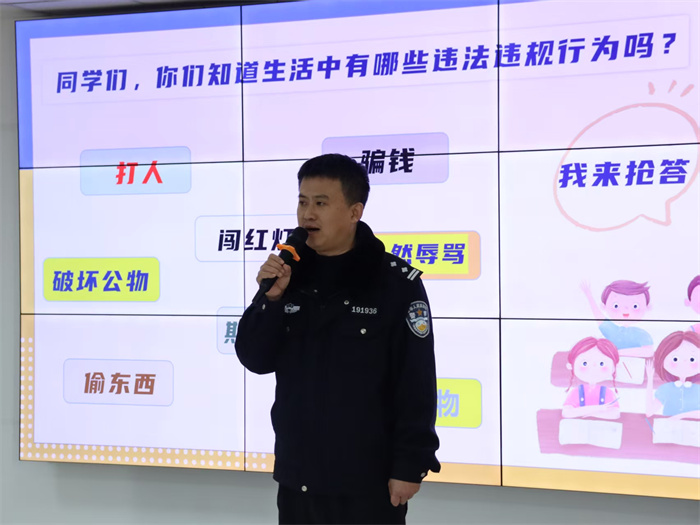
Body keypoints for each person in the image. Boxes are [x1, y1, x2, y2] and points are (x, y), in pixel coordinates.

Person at [235, 153, 440, 525]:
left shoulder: (395, 284)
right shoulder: (288, 275)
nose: (307, 215)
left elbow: (416, 381)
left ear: (354, 211)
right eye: (302, 202)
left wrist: (411, 464)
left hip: (367, 482)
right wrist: (271, 300)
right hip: (298, 478)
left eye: (321, 203)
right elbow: (255, 358)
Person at [580, 280, 654, 357]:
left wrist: (616, 353)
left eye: (635, 306)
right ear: (604, 306)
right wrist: (589, 296)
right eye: (616, 306)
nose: (625, 310)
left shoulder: (642, 334)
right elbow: (598, 316)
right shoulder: (613, 331)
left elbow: (648, 352)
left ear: (648, 307)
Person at [645, 331, 700, 420]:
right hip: (669, 427)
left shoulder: (698, 390)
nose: (684, 363)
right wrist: (650, 379)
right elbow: (649, 412)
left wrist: (681, 416)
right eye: (675, 359)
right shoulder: (666, 389)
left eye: (692, 359)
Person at [562, 337, 621, 420]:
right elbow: (567, 413)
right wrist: (597, 409)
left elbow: (615, 414)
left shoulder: (607, 393)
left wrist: (587, 413)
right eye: (584, 363)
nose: (593, 369)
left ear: (614, 367)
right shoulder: (576, 392)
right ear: (571, 366)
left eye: (602, 363)